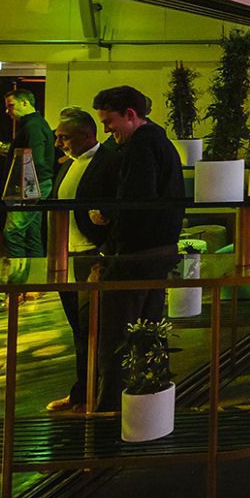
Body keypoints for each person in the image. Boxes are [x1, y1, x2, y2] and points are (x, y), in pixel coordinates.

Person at [87, 86, 183, 411]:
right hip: (159, 249)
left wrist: (110, 225)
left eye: (109, 121)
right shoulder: (161, 143)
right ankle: (148, 403)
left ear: (130, 114)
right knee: (149, 332)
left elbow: (137, 200)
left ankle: (110, 411)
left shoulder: (141, 147)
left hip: (135, 254)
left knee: (116, 337)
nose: (106, 130)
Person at [45, 107, 117, 413]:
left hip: (92, 255)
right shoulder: (68, 165)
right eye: (57, 137)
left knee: (94, 329)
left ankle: (97, 394)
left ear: (87, 135)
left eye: (64, 137)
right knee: (78, 328)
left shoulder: (108, 163)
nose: (59, 143)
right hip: (68, 255)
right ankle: (81, 391)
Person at [0, 90, 56, 257]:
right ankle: (35, 276)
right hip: (36, 183)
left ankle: (19, 277)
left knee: (13, 233)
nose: (8, 111)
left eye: (11, 105)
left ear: (25, 103)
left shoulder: (32, 127)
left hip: (31, 185)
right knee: (32, 234)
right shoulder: (36, 124)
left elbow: (35, 160)